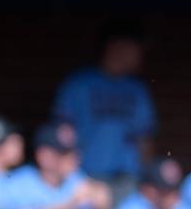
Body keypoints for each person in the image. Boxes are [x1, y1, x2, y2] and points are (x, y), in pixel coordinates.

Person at [52, 19, 157, 183]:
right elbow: (62, 134)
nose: (140, 56)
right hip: (83, 177)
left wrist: (146, 179)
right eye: (137, 49)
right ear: (116, 46)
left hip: (126, 181)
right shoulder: (78, 85)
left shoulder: (138, 91)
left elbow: (144, 141)